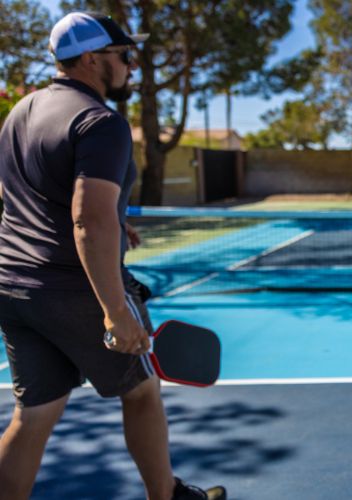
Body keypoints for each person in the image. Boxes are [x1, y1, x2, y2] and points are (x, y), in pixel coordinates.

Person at [0, 12, 225, 500]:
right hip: (74, 289)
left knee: (34, 414)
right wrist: (115, 310)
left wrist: (115, 217)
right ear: (90, 59)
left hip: (15, 288)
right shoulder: (101, 122)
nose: (132, 67)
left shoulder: (22, 111)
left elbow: (27, 191)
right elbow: (88, 219)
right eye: (125, 56)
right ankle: (166, 496)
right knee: (142, 392)